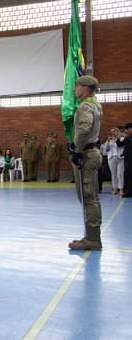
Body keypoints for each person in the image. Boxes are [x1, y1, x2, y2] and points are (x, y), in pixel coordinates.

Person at [68, 75, 103, 250]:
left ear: (86, 88)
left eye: (77, 86)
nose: (75, 89)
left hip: (87, 154)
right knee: (92, 197)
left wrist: (77, 149)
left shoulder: (86, 106)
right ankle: (91, 236)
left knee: (89, 197)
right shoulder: (94, 104)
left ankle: (92, 238)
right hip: (91, 151)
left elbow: (84, 128)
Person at [102, 127, 124, 194]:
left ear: (118, 132)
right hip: (111, 158)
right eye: (112, 131)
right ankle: (114, 188)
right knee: (113, 174)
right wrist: (108, 142)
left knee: (120, 174)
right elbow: (106, 150)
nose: (113, 132)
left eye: (114, 131)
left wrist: (116, 139)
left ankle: (121, 189)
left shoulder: (122, 139)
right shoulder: (109, 140)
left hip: (120, 158)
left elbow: (120, 146)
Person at [118, 124, 132, 197]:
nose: (126, 131)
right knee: (127, 175)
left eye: (127, 129)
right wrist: (118, 137)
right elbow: (120, 144)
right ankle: (128, 192)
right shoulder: (127, 138)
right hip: (127, 160)